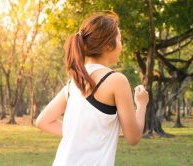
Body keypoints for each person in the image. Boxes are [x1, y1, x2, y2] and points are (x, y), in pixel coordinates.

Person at [35, 11, 149, 166]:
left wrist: (78, 135)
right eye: (120, 40)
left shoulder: (74, 82)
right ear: (109, 45)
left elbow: (43, 121)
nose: (121, 46)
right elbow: (133, 137)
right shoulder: (116, 80)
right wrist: (141, 105)